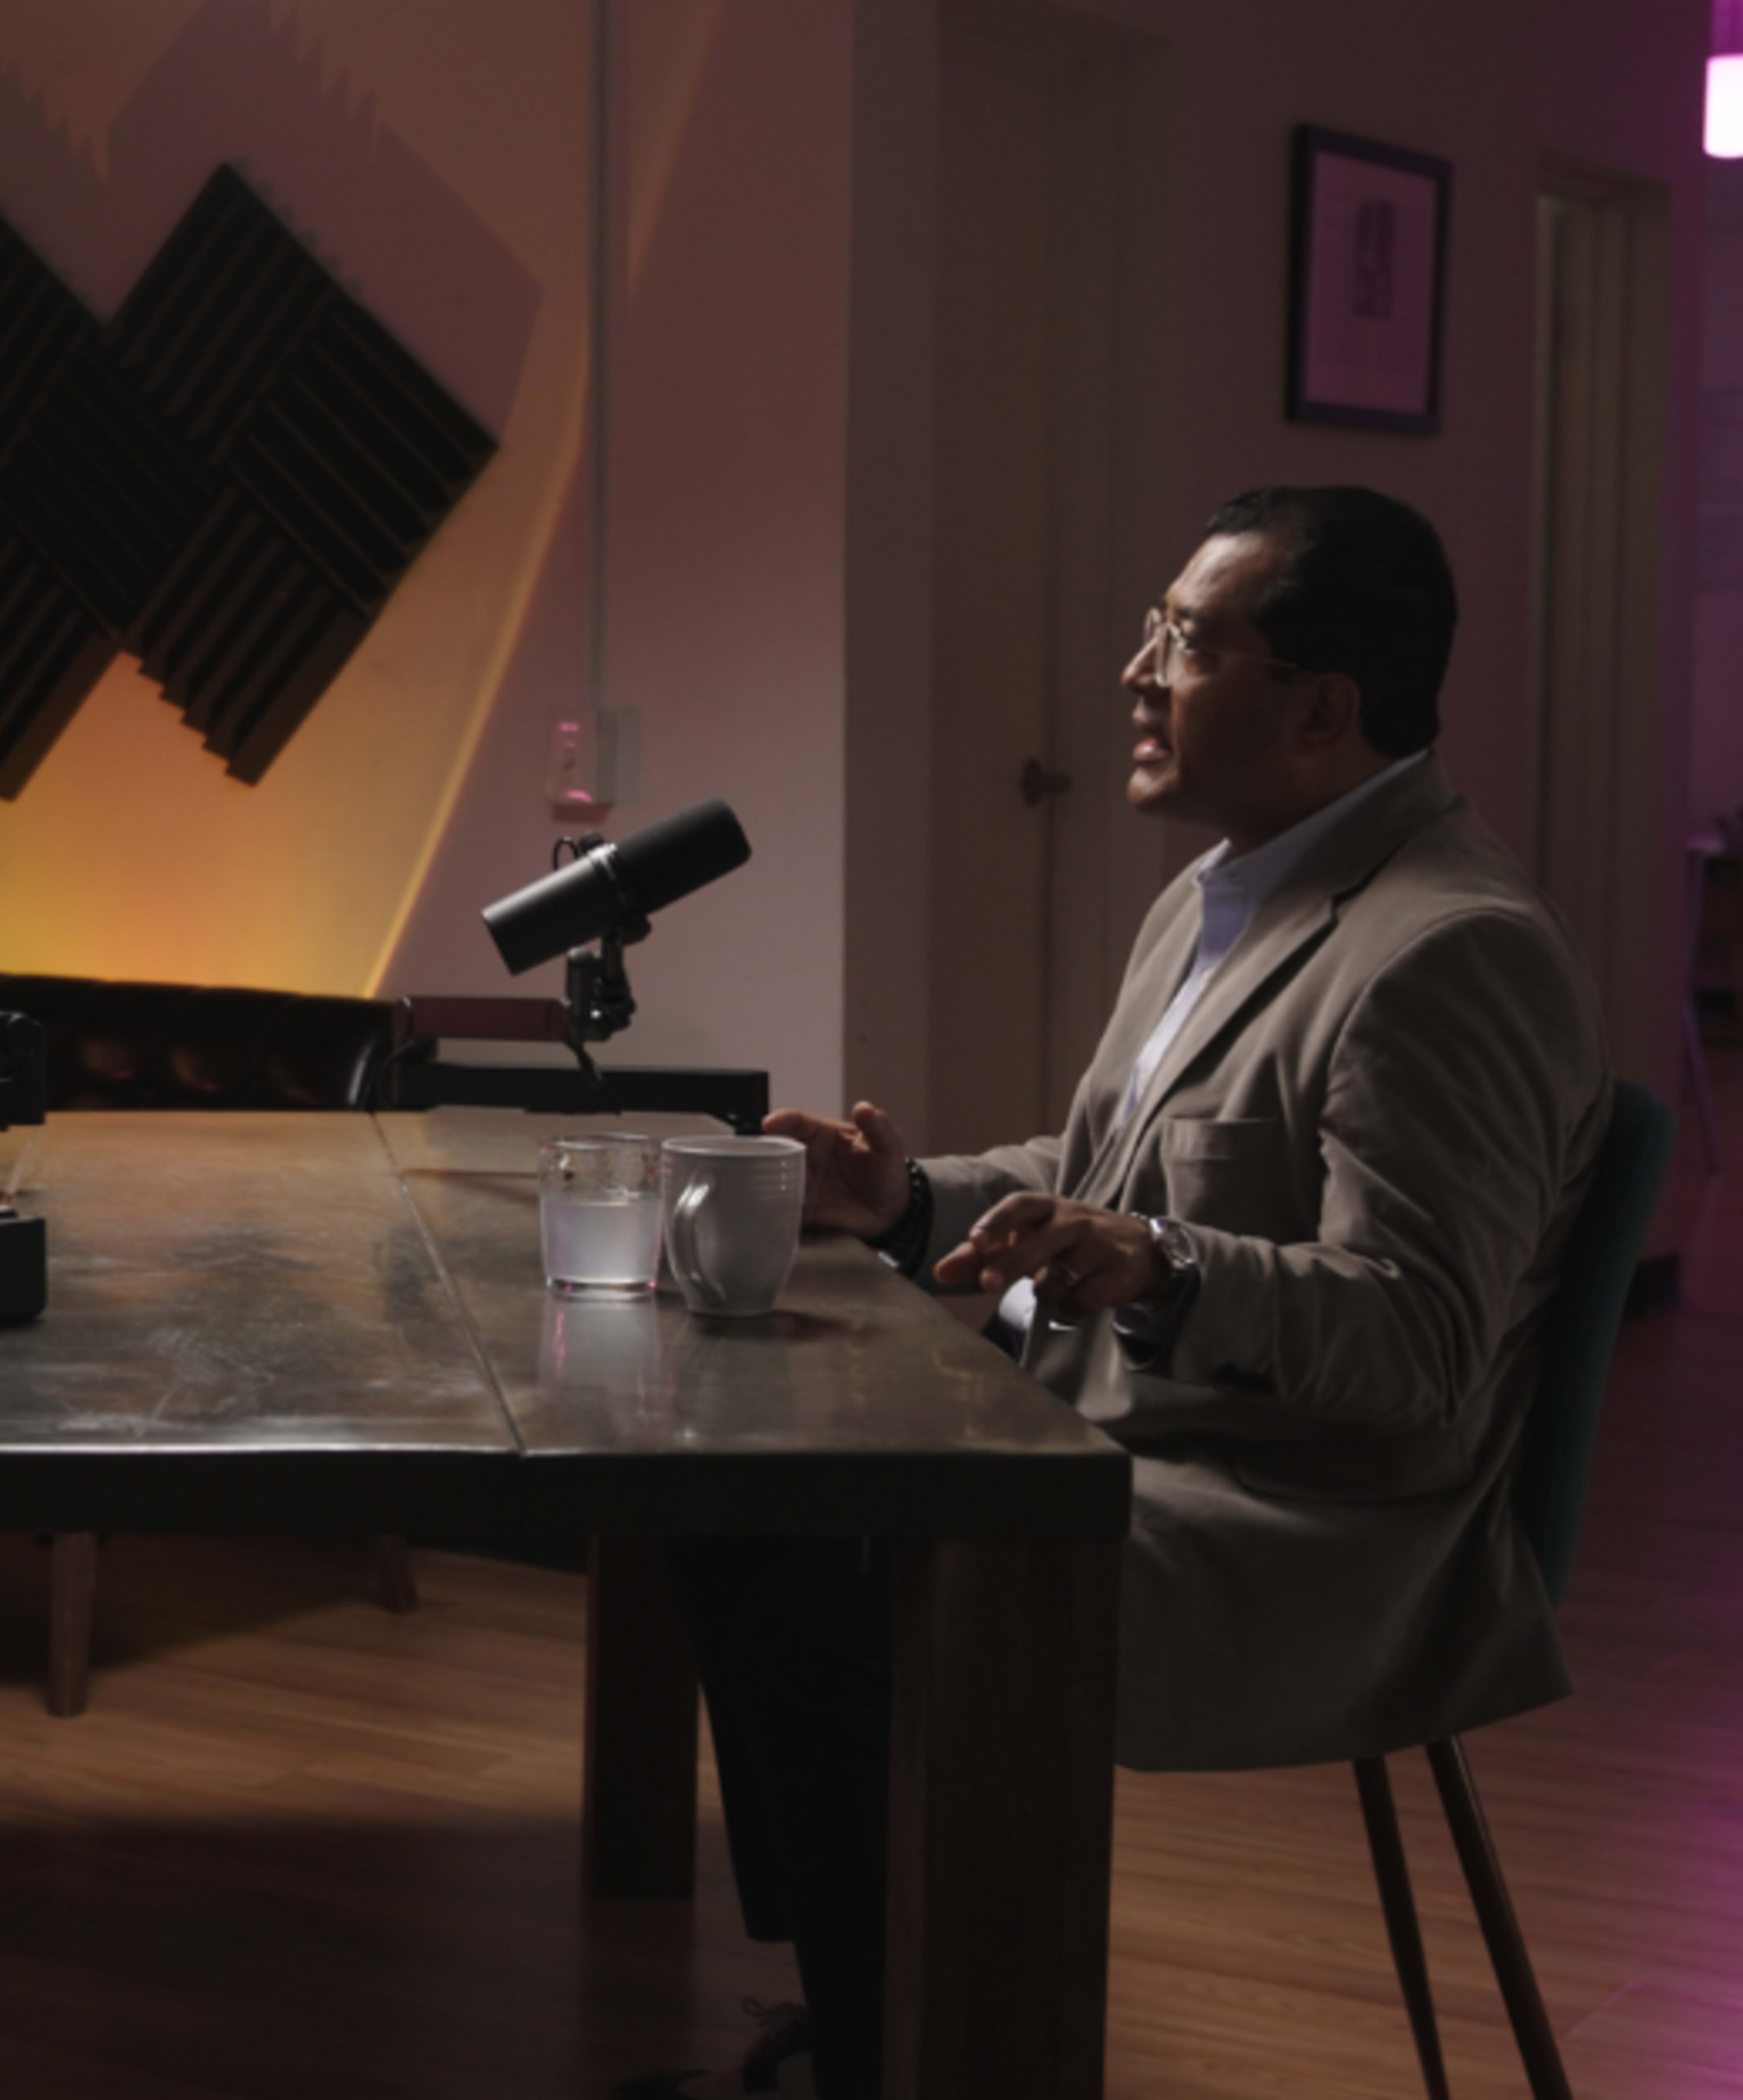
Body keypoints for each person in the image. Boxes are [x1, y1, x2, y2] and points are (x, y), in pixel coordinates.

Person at [653, 487, 1613, 2099]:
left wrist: (1167, 1270)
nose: (1135, 672)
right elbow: (1108, 1170)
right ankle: (881, 1995)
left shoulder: (1455, 951)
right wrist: (906, 1202)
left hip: (1313, 1526)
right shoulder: (1222, 890)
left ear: (1322, 706)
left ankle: (906, 2036)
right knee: (748, 1497)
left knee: (834, 1584)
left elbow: (1422, 1345)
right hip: (1125, 1436)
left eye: (1187, 642)